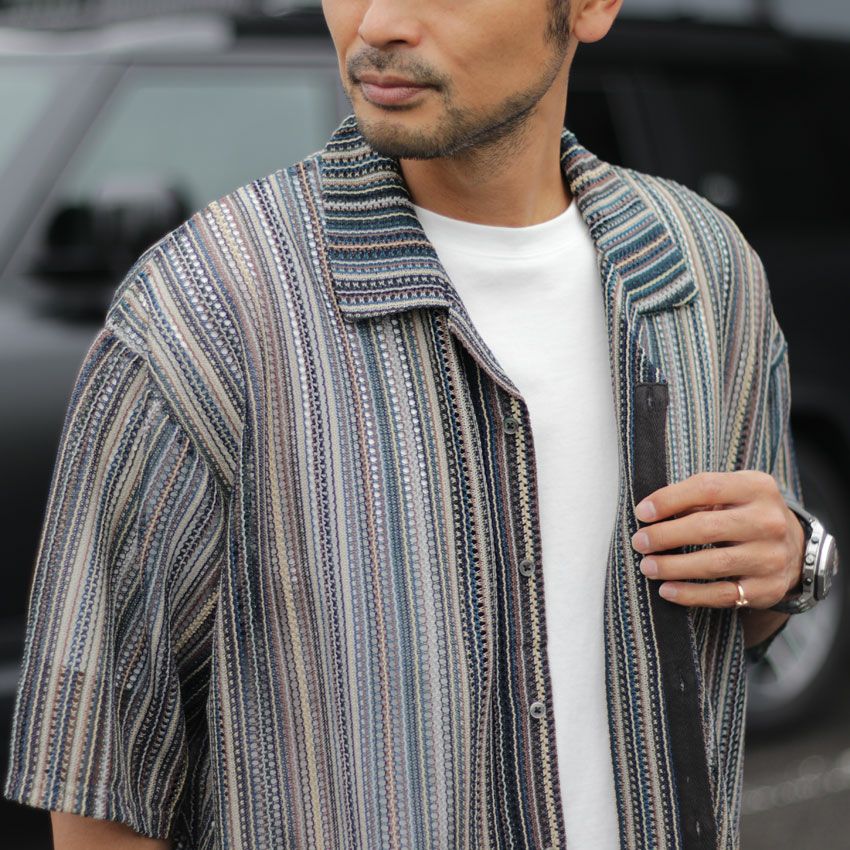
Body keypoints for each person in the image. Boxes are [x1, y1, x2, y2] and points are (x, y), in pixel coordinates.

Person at [3, 0, 839, 848]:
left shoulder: (701, 271)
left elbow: (735, 621)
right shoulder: (201, 318)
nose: (377, 25)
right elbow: (105, 787)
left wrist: (788, 566)